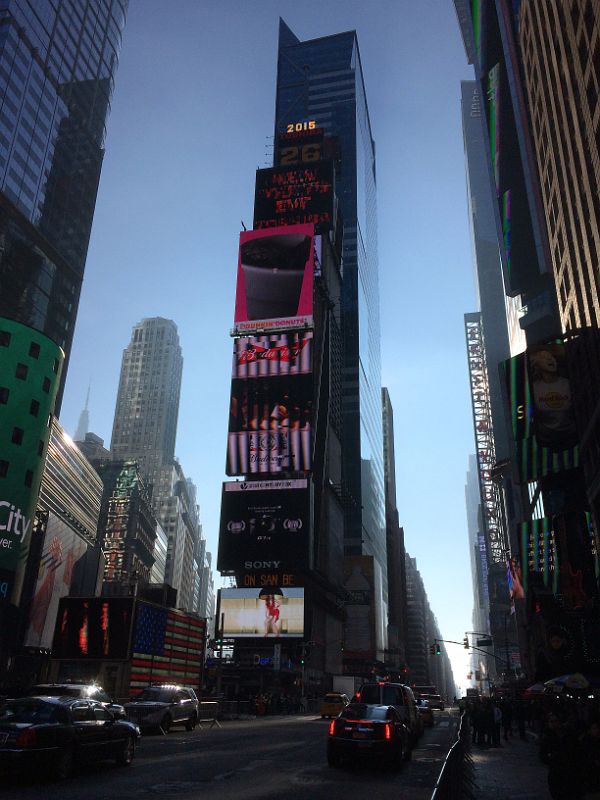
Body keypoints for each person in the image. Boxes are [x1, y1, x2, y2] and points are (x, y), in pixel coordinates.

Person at [539, 712, 585, 799]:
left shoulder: (570, 736)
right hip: (556, 773)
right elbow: (542, 755)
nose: (552, 724)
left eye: (554, 721)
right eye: (550, 721)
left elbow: (578, 752)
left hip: (571, 772)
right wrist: (552, 759)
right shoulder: (547, 738)